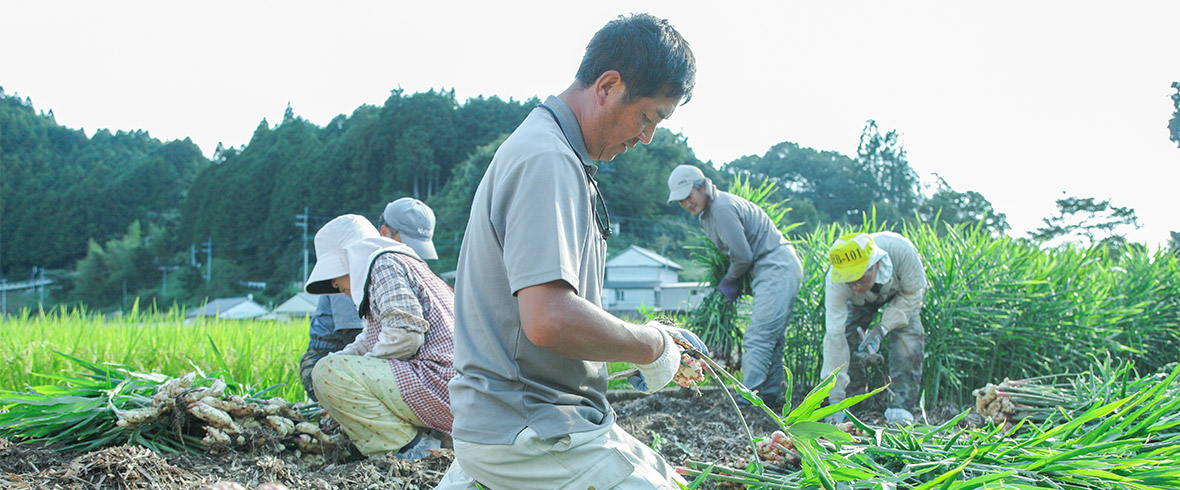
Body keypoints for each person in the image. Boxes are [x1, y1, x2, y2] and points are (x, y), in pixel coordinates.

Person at [435, 13, 707, 489]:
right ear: (607, 85)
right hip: (528, 428)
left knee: (670, 477)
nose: (647, 137)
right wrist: (652, 345)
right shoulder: (548, 159)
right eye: (649, 117)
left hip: (539, 415)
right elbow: (550, 319)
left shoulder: (557, 152)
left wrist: (649, 337)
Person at [303, 210, 454, 458]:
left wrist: (349, 378)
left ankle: (414, 451)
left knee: (326, 373)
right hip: (450, 386)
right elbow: (369, 340)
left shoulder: (383, 265)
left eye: (334, 275)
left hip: (438, 382)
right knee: (332, 367)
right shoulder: (399, 262)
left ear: (348, 258)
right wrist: (349, 360)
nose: (333, 284)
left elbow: (405, 334)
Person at [667, 164, 804, 413]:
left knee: (758, 337)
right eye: (681, 201)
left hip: (775, 266)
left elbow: (742, 256)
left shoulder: (721, 208)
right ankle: (769, 397)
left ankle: (747, 400)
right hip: (770, 269)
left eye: (689, 196)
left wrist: (729, 281)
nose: (686, 203)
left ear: (702, 187)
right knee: (771, 339)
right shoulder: (708, 215)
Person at [298, 197, 440, 401]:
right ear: (384, 234)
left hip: (379, 354)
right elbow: (359, 335)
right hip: (333, 356)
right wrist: (366, 368)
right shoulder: (358, 273)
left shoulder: (392, 270)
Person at [821, 231, 927, 424]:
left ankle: (901, 407)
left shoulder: (901, 251)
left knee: (909, 334)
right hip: (860, 303)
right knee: (847, 333)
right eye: (850, 282)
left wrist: (882, 329)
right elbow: (834, 338)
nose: (856, 287)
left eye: (861, 279)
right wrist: (835, 398)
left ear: (876, 264)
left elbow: (913, 294)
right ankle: (851, 403)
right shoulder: (836, 283)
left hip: (901, 295)